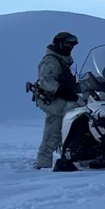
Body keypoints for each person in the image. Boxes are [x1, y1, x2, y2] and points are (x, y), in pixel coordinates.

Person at [30, 32, 80, 169]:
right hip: (55, 101)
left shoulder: (62, 61)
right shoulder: (52, 61)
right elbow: (46, 81)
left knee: (66, 126)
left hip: (61, 99)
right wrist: (65, 92)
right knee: (54, 131)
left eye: (72, 45)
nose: (70, 47)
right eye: (67, 44)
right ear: (59, 44)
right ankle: (42, 164)